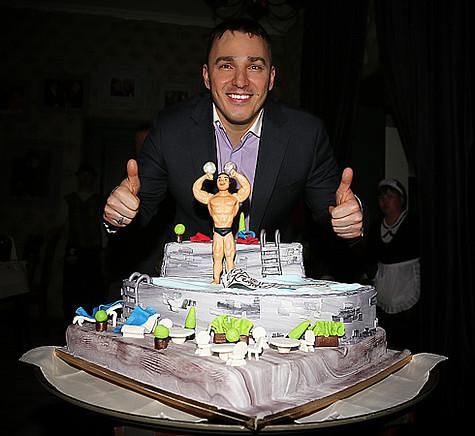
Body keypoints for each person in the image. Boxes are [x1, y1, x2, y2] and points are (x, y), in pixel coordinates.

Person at [103, 18, 363, 263]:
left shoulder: (305, 134)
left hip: (270, 278)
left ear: (271, 78)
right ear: (207, 76)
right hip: (195, 275)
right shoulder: (171, 128)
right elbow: (139, 207)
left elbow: (333, 208)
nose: (240, 81)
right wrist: (119, 214)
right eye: (226, 65)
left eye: (254, 67)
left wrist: (349, 219)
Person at [366, 178, 420, 351]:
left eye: (390, 196)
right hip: (384, 284)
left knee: (408, 332)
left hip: (407, 282)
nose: (385, 201)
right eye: (382, 197)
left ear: (401, 199)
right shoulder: (376, 227)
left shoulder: (414, 223)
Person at [193, 165, 251, 283]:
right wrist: (205, 177)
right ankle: (216, 280)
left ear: (229, 182)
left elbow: (246, 187)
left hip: (228, 232)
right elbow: (196, 190)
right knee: (217, 258)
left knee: (230, 258)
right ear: (216, 183)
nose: (222, 181)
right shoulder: (211, 198)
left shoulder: (235, 198)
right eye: (219, 179)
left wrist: (235, 174)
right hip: (217, 232)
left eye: (225, 179)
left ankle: (230, 281)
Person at [62, 163, 105, 318]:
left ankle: (92, 319)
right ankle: (70, 319)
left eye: (89, 176)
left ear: (93, 178)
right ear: (78, 177)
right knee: (72, 286)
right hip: (74, 248)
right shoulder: (69, 200)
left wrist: (104, 247)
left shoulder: (99, 200)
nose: (86, 179)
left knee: (93, 286)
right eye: (83, 175)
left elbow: (103, 225)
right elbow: (63, 224)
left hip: (94, 249)